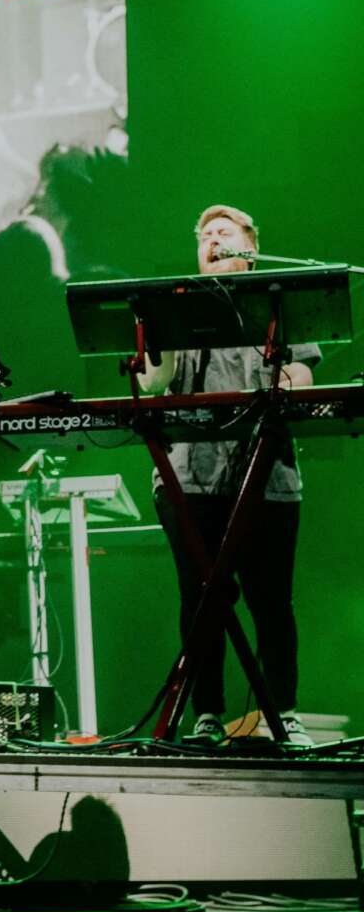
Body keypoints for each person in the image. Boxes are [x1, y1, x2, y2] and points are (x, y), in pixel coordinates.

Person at [139, 204, 319, 746]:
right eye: (205, 236)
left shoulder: (279, 303)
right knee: (201, 599)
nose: (212, 240)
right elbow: (152, 385)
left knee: (271, 599)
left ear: (251, 247)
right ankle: (207, 715)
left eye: (224, 232)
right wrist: (156, 331)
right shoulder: (175, 306)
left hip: (268, 477)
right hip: (189, 479)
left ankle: (283, 713)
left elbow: (304, 372)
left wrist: (283, 386)